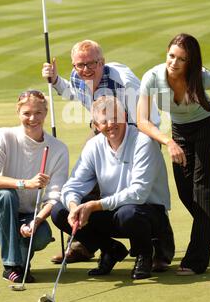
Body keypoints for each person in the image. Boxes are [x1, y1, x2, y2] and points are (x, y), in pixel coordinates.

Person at [42, 39, 174, 267]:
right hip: (102, 132)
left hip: (136, 133)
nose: (85, 70)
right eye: (79, 65)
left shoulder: (123, 82)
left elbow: (150, 114)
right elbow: (73, 93)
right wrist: (55, 81)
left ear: (102, 61)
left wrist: (146, 142)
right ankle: (88, 243)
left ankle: (159, 244)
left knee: (142, 192)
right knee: (89, 188)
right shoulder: (77, 77)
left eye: (91, 64)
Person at [137, 33, 210, 275]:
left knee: (202, 192)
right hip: (179, 133)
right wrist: (169, 142)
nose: (174, 63)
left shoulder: (200, 76)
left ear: (191, 61)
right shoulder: (152, 77)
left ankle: (196, 260)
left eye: (181, 59)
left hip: (208, 128)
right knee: (186, 194)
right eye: (171, 56)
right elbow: (142, 121)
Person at [51, 96, 173, 279]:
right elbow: (73, 185)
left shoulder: (143, 142)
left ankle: (145, 254)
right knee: (59, 211)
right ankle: (110, 249)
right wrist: (74, 206)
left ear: (124, 115)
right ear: (95, 125)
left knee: (128, 213)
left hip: (149, 216)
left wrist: (94, 206)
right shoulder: (94, 146)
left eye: (115, 117)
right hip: (115, 212)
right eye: (104, 121)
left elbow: (138, 193)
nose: (111, 124)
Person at [0, 90, 69, 283]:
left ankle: (22, 263)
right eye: (26, 113)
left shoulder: (59, 149)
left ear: (45, 113)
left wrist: (36, 221)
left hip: (28, 215)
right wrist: (25, 184)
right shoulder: (3, 136)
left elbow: (54, 196)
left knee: (42, 235)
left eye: (38, 113)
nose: (32, 118)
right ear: (18, 113)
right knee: (6, 195)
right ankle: (11, 266)